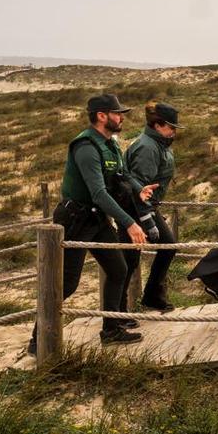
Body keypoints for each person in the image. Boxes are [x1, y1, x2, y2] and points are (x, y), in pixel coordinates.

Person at [28, 93, 159, 354]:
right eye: (117, 113)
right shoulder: (86, 146)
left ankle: (111, 330)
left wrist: (138, 189)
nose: (121, 117)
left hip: (97, 218)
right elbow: (98, 192)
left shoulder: (109, 144)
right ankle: (38, 340)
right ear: (102, 116)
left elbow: (121, 174)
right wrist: (130, 223)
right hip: (75, 219)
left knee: (118, 269)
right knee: (67, 283)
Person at [122, 101, 181, 312]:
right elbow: (137, 187)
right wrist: (147, 218)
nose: (174, 131)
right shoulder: (148, 147)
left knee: (163, 248)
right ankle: (118, 314)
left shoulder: (159, 144)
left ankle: (151, 296)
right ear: (158, 125)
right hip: (134, 209)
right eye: (171, 127)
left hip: (146, 206)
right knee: (129, 261)